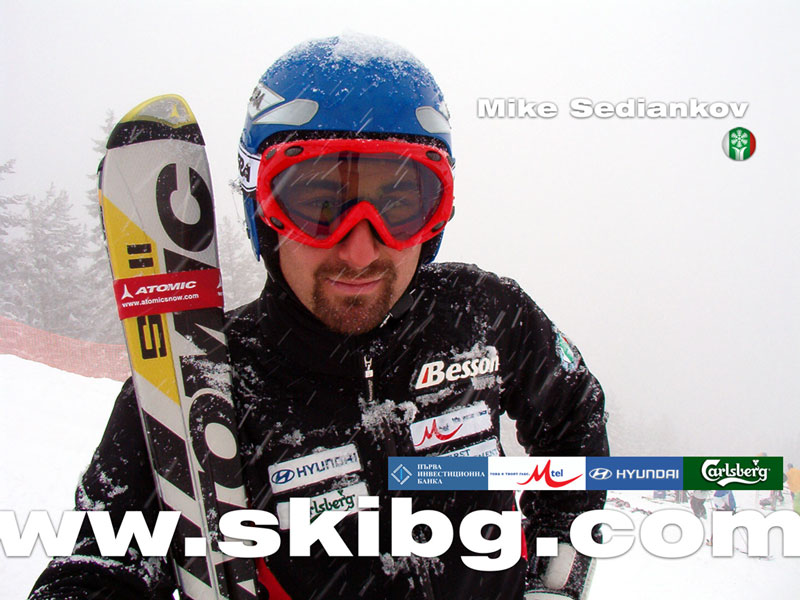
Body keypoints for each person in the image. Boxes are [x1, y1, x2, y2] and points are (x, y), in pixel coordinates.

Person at [29, 35, 608, 600]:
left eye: (399, 206)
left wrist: (556, 570)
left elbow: (576, 416)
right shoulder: (196, 382)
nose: (359, 251)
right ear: (262, 207)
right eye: (317, 204)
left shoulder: (483, 314)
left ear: (435, 215)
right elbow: (98, 565)